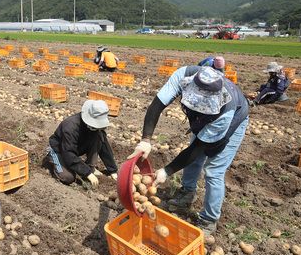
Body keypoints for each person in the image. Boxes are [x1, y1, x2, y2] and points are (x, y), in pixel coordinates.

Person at [128, 67, 249, 235]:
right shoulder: (183, 75)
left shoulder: (225, 112)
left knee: (214, 171)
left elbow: (198, 149)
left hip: (236, 116)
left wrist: (167, 170)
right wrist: (145, 140)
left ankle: (209, 219)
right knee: (195, 158)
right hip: (204, 119)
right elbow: (156, 106)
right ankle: (187, 192)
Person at [43, 100, 118, 187]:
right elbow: (68, 153)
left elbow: (104, 146)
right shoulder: (70, 127)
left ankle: (90, 167)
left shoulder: (94, 128)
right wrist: (87, 173)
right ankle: (52, 161)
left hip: (74, 148)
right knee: (68, 177)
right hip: (58, 150)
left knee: (99, 136)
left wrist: (112, 170)